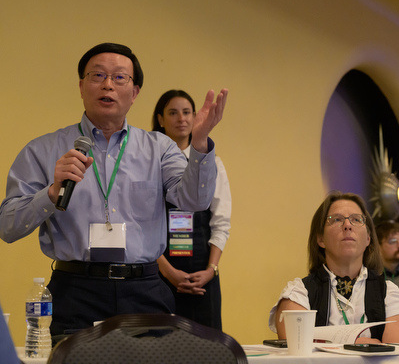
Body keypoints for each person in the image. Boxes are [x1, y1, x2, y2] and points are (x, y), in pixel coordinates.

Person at [0, 43, 227, 341]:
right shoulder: (42, 150)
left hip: (145, 290)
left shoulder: (159, 148)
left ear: (134, 93)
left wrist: (199, 143)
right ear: (81, 86)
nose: (108, 84)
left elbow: (194, 200)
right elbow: (7, 226)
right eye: (98, 75)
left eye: (120, 77)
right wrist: (52, 193)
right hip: (75, 290)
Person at [268, 192, 399, 343]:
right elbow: (298, 348)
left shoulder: (388, 293)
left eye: (356, 219)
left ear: (368, 238)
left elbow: (398, 352)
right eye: (336, 219)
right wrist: (357, 344)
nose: (347, 225)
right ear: (321, 239)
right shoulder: (298, 294)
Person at [151, 89, 231, 330]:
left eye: (187, 112)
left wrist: (211, 270)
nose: (181, 119)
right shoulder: (150, 164)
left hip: (202, 278)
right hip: (159, 275)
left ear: (195, 117)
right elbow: (141, 227)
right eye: (173, 113)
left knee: (207, 345)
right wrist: (168, 272)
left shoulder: (212, 163)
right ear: (160, 119)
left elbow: (221, 223)